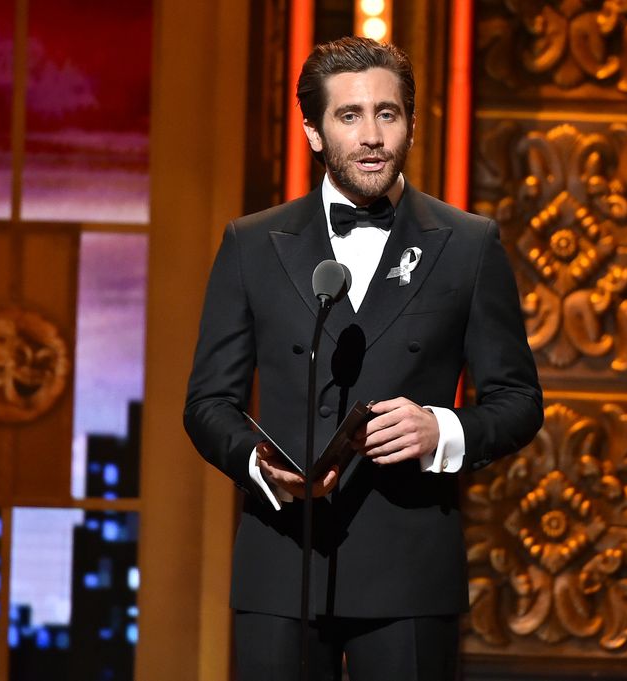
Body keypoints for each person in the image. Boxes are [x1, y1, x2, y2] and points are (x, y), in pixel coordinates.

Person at [184, 36, 543, 681]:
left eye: (388, 113)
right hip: (283, 559)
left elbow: (518, 402)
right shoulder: (252, 244)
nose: (372, 135)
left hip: (409, 565)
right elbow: (208, 403)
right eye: (350, 116)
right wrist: (261, 467)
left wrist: (444, 430)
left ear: (410, 123)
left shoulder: (468, 245)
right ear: (315, 133)